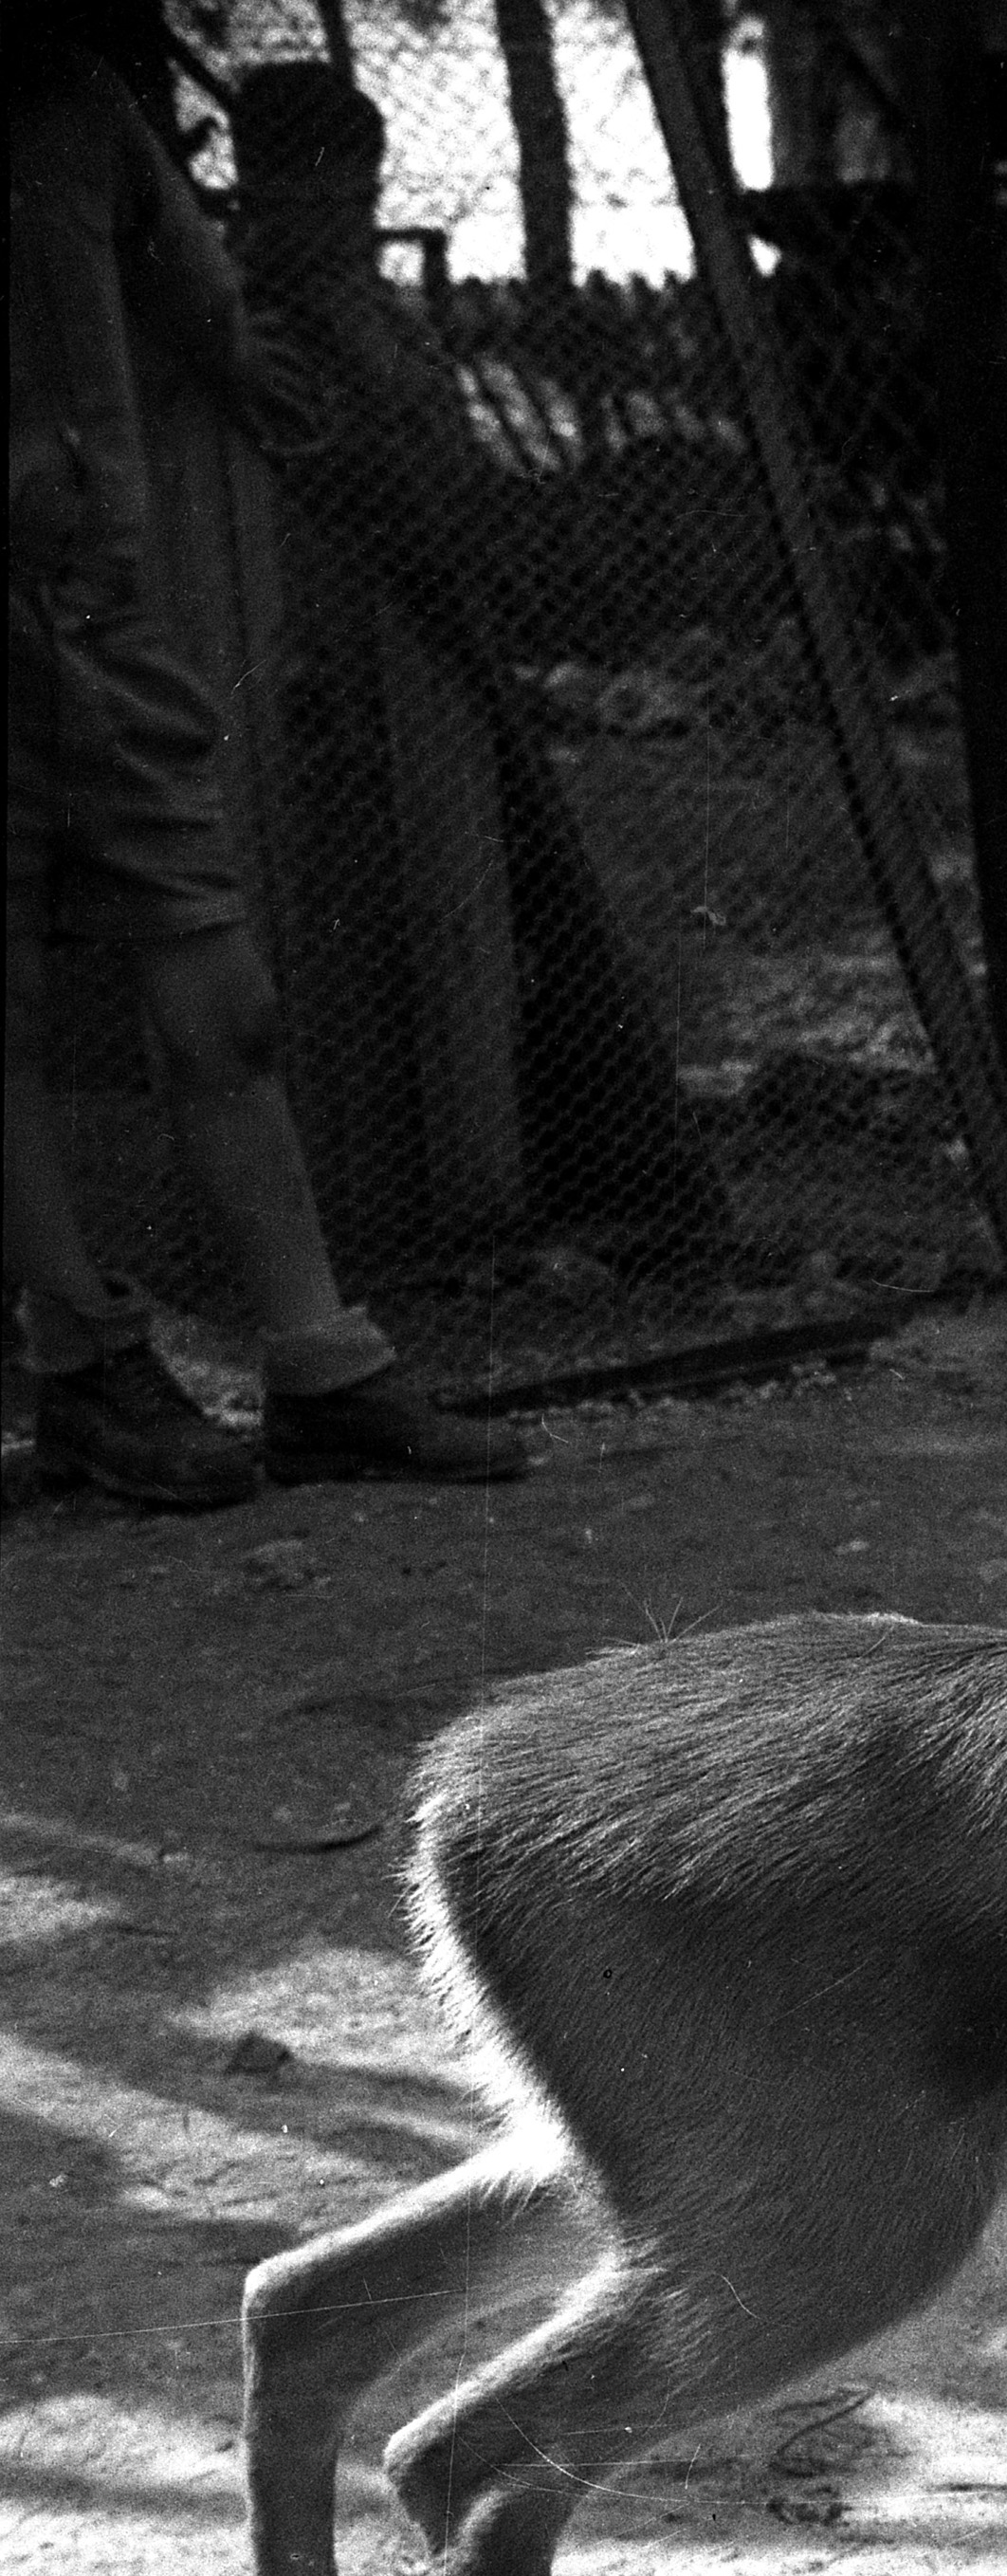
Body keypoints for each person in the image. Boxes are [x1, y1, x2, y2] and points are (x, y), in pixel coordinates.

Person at [7, 20, 524, 1505]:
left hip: (98, 623)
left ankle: (321, 1366)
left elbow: (221, 324)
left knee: (223, 1001)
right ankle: (85, 1370)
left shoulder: (83, 113)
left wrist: (311, 369)